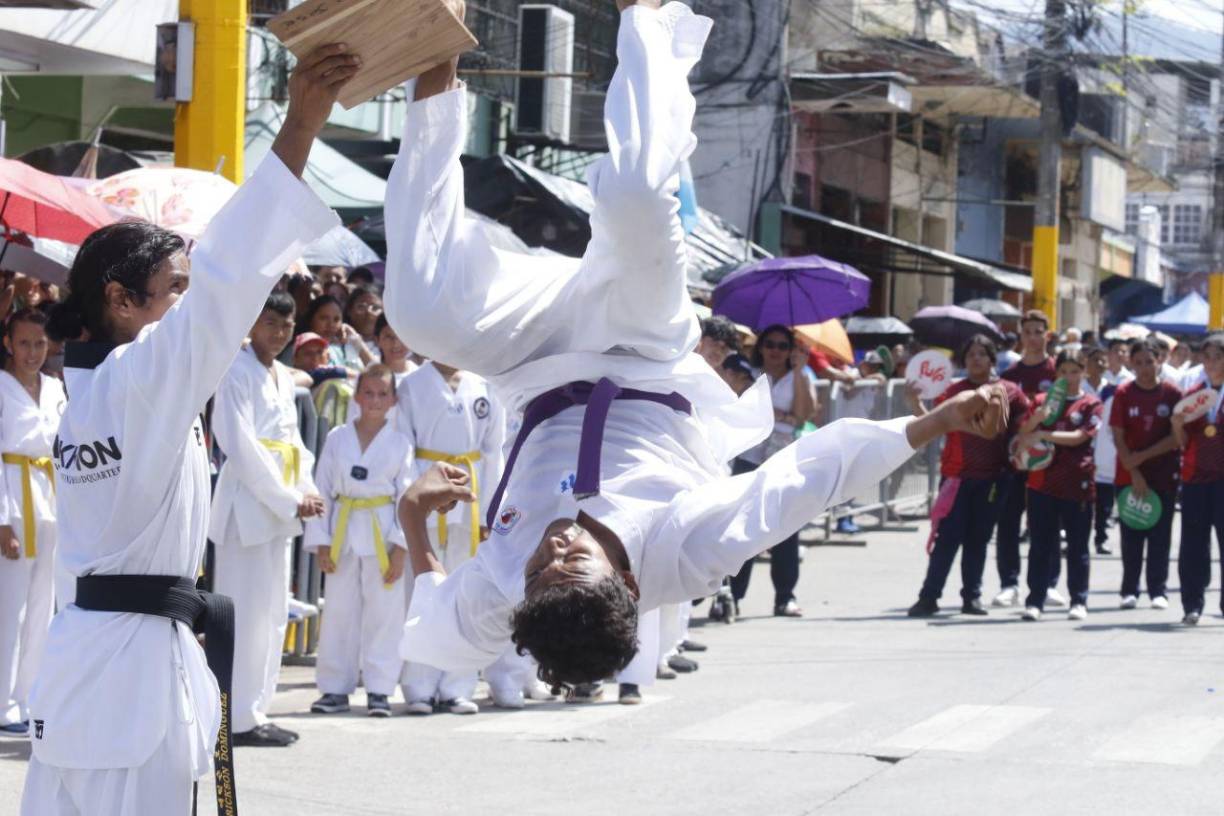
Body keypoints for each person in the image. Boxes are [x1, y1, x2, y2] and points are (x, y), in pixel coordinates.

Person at [383, 0, 1009, 690]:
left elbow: (441, 625)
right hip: (646, 353)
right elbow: (806, 481)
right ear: (625, 577)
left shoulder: (507, 590)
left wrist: (413, 515)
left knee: (417, 313)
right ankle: (647, 21)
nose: (552, 546)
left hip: (530, 365)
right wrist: (936, 420)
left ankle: (433, 61)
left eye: (538, 567)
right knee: (637, 198)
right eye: (572, 560)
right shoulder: (689, 548)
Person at [21, 43, 351, 816]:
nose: (187, 304)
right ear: (121, 301)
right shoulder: (135, 384)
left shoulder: (93, 394)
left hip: (85, 664)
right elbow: (230, 281)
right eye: (174, 288)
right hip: (131, 672)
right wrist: (299, 124)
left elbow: (219, 292)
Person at [209, 292, 325, 748]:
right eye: (270, 322)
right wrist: (288, 498)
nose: (278, 333)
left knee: (273, 614)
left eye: (285, 323)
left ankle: (253, 710)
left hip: (281, 504)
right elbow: (241, 445)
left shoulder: (280, 375)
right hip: (248, 505)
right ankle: (230, 716)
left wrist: (308, 488)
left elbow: (294, 443)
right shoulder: (234, 371)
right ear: (252, 322)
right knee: (243, 615)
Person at [397, 360, 508, 713]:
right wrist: (416, 494)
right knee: (421, 585)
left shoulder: (484, 384)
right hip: (428, 484)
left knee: (466, 588)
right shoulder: (412, 384)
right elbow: (403, 447)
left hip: (471, 494)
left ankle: (458, 685)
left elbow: (494, 452)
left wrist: (492, 509)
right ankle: (419, 685)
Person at [308, 365, 414, 717]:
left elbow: (407, 497)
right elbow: (321, 488)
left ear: (394, 400)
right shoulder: (338, 437)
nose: (374, 400)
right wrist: (321, 541)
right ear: (356, 396)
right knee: (339, 610)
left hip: (383, 531)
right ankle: (335, 688)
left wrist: (401, 547)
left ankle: (380, 689)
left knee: (385, 613)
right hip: (342, 529)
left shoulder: (400, 444)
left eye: (383, 394)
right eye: (368, 393)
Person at [906, 335, 1028, 617]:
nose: (976, 359)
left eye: (982, 354)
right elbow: (929, 422)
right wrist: (913, 401)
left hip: (994, 479)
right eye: (971, 354)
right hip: (956, 478)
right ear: (963, 360)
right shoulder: (952, 392)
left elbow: (1026, 423)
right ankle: (929, 597)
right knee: (946, 540)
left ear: (992, 359)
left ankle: (972, 597)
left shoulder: (1008, 391)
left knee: (978, 540)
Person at [0, 310, 65, 736]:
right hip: (12, 493)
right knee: (10, 607)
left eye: (40, 344)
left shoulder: (57, 388)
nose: (32, 353)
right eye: (24, 343)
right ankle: (3, 702)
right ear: (8, 343)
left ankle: (29, 696)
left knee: (43, 605)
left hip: (51, 496)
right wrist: (2, 520)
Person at [729, 324, 816, 614]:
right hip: (750, 457)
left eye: (782, 345)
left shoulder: (798, 378)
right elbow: (741, 410)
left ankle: (785, 596)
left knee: (785, 527)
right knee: (744, 528)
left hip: (783, 459)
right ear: (760, 347)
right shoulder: (748, 375)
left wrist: (801, 372)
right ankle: (734, 596)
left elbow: (804, 415)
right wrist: (782, 415)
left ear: (790, 350)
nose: (775, 351)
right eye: (770, 344)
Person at [1015, 349, 1102, 621]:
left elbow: (1078, 437)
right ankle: (1035, 600)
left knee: (1077, 546)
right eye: (1063, 372)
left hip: (1077, 484)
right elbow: (1022, 435)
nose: (1069, 377)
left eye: (1075, 371)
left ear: (1084, 372)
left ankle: (1079, 599)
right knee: (1040, 544)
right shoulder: (1042, 401)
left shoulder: (1090, 404)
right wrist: (1038, 419)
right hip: (1042, 484)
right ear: (1056, 374)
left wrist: (1045, 434)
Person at [1111, 338, 1182, 610]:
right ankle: (1129, 590)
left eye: (1149, 362)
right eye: (1138, 362)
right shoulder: (1123, 393)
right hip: (1128, 476)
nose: (1144, 368)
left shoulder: (1172, 394)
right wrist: (1134, 469)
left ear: (1159, 361)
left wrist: (1142, 457)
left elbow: (1175, 438)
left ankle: (1158, 590)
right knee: (1131, 534)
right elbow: (1117, 435)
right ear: (1131, 363)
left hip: (1163, 476)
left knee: (1160, 536)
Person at [994, 309, 1059, 608]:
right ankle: (1009, 583)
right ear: (1020, 336)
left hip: (1050, 463)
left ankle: (1050, 583)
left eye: (1038, 331)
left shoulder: (1059, 374)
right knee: (1008, 522)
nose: (1033, 337)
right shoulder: (1009, 377)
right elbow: (1000, 421)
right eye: (1028, 332)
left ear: (1047, 335)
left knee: (1046, 524)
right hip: (1014, 462)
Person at [1171, 334, 1224, 626]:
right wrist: (1177, 424)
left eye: (1218, 357)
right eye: (1208, 357)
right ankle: (1192, 603)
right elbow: (1181, 441)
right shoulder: (1192, 395)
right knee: (1193, 544)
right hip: (1196, 478)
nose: (1212, 363)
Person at [300, 294, 374, 370]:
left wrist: (353, 336)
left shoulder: (339, 349)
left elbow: (376, 370)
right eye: (324, 318)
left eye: (336, 319)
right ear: (311, 319)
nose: (331, 325)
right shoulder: (299, 349)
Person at [373, 314, 418, 387]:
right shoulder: (369, 374)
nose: (396, 344)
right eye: (388, 337)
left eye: (401, 336)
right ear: (377, 340)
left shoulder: (417, 374)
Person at [343, 284, 384, 350]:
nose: (368, 312)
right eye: (361, 307)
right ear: (349, 311)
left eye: (375, 308)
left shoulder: (392, 346)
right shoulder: (338, 343)